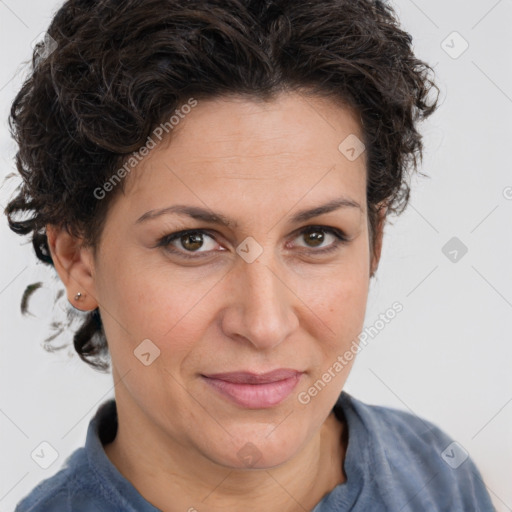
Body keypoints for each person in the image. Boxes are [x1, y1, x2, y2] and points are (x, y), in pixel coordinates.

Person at [4, 0, 496, 510]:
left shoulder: (438, 476)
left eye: (315, 236)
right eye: (191, 241)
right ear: (77, 258)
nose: (264, 325)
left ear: (374, 238)